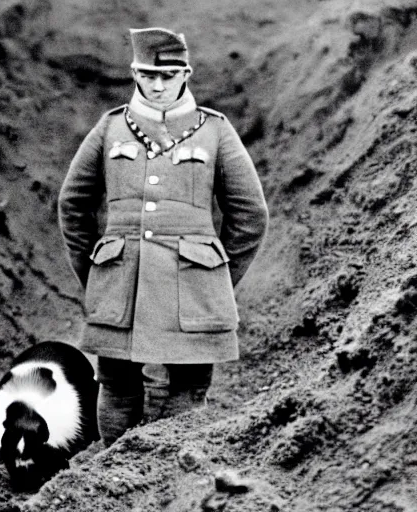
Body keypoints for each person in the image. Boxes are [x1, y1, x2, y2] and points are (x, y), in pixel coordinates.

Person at [58, 27, 269, 446]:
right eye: (148, 75)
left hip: (193, 290)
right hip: (120, 287)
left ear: (186, 74)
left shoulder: (214, 131)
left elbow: (250, 214)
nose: (157, 85)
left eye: (168, 75)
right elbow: (73, 205)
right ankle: (111, 478)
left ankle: (171, 480)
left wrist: (216, 278)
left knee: (188, 389)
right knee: (117, 386)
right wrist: (98, 275)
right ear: (134, 73)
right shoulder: (110, 128)